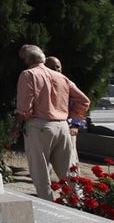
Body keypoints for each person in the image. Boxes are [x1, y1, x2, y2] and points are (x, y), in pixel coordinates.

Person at [16, 44, 90, 199]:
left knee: (40, 172)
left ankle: (46, 202)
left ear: (29, 59)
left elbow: (24, 107)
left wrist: (17, 126)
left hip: (40, 125)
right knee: (69, 171)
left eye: (23, 58)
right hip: (62, 125)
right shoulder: (61, 77)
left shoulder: (28, 74)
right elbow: (84, 100)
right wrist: (74, 118)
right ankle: (79, 202)